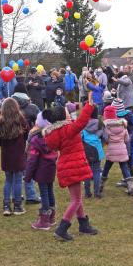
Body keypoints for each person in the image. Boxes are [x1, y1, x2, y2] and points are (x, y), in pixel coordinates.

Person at [44, 103, 98, 241]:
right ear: (63, 117)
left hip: (66, 166)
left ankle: (83, 224)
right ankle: (62, 229)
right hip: (73, 166)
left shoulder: (55, 132)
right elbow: (81, 122)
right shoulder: (68, 129)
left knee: (77, 197)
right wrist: (89, 107)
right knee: (76, 199)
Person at [26, 112, 60, 230]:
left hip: (41, 171)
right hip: (51, 169)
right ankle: (52, 217)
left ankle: (45, 220)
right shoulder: (53, 136)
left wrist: (28, 175)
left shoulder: (36, 140)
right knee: (50, 191)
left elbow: (32, 160)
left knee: (44, 193)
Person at [0, 97, 29, 216]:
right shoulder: (20, 120)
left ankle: (6, 205)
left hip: (7, 155)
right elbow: (27, 134)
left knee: (8, 180)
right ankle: (17, 206)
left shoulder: (1, 121)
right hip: (18, 154)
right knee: (17, 181)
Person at [101, 105, 133, 196]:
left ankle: (100, 185)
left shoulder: (106, 127)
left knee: (106, 168)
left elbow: (106, 139)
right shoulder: (123, 125)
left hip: (111, 150)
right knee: (124, 168)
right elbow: (127, 139)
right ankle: (131, 186)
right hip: (122, 150)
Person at [81, 111, 105, 199]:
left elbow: (79, 137)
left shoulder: (83, 123)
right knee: (96, 172)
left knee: (86, 172)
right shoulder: (100, 123)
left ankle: (87, 193)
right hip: (97, 150)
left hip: (86, 151)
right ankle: (97, 193)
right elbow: (105, 137)